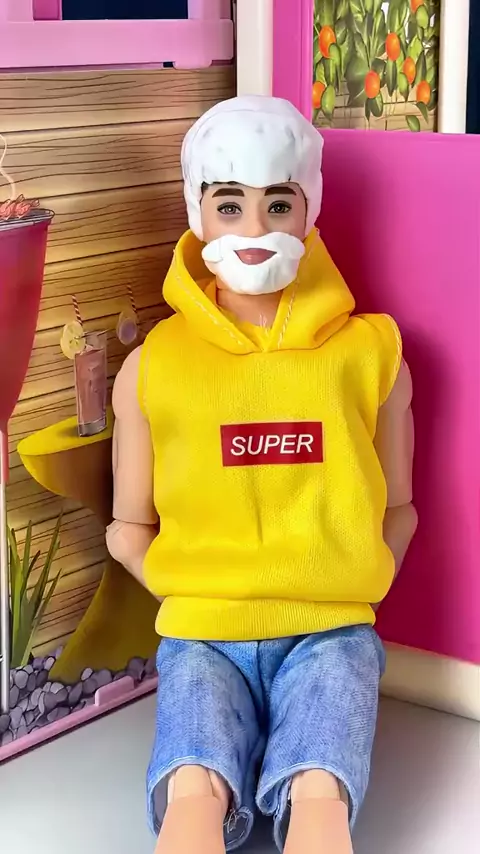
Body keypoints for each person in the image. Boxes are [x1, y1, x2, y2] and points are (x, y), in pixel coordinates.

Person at [106, 95, 418, 854]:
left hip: (330, 630)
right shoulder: (154, 367)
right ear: (197, 211)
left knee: (320, 792)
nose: (253, 229)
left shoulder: (371, 354)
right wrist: (201, 595)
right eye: (229, 204)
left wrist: (347, 584)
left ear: (310, 208)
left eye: (277, 203)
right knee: (193, 788)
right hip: (203, 635)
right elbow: (127, 528)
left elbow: (400, 507)